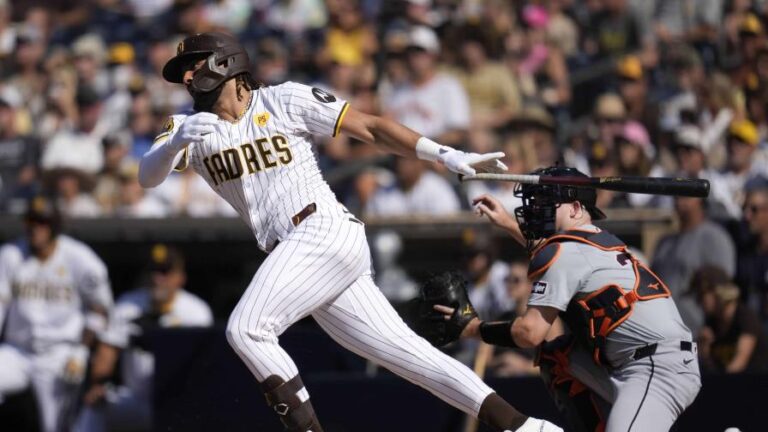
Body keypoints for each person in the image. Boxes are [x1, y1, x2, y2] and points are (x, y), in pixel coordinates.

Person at [138, 32, 560, 432]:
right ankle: (526, 426)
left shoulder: (283, 99)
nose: (188, 79)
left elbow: (371, 127)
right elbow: (147, 177)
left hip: (321, 228)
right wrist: (173, 146)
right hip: (302, 254)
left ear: (223, 62)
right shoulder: (185, 128)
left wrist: (446, 154)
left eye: (192, 66)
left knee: (246, 329)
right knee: (408, 356)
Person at [435, 166, 701, 432]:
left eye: (547, 203)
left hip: (655, 365)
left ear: (575, 208)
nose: (537, 209)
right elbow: (557, 257)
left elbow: (530, 333)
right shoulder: (590, 243)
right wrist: (506, 222)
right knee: (558, 357)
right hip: (640, 361)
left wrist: (473, 328)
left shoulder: (567, 251)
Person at [0, 196, 113, 432]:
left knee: (55, 426)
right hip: (17, 351)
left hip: (59, 353)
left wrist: (81, 352)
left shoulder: (80, 259)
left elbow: (100, 310)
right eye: (31, 221)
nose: (35, 228)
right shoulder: (10, 254)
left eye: (42, 222)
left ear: (54, 226)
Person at [76, 244, 213, 432]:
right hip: (137, 400)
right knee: (95, 406)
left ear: (180, 277)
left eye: (165, 271)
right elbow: (107, 350)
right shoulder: (128, 305)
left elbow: (203, 368)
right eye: (154, 271)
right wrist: (98, 384)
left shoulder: (197, 312)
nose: (158, 278)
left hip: (177, 400)